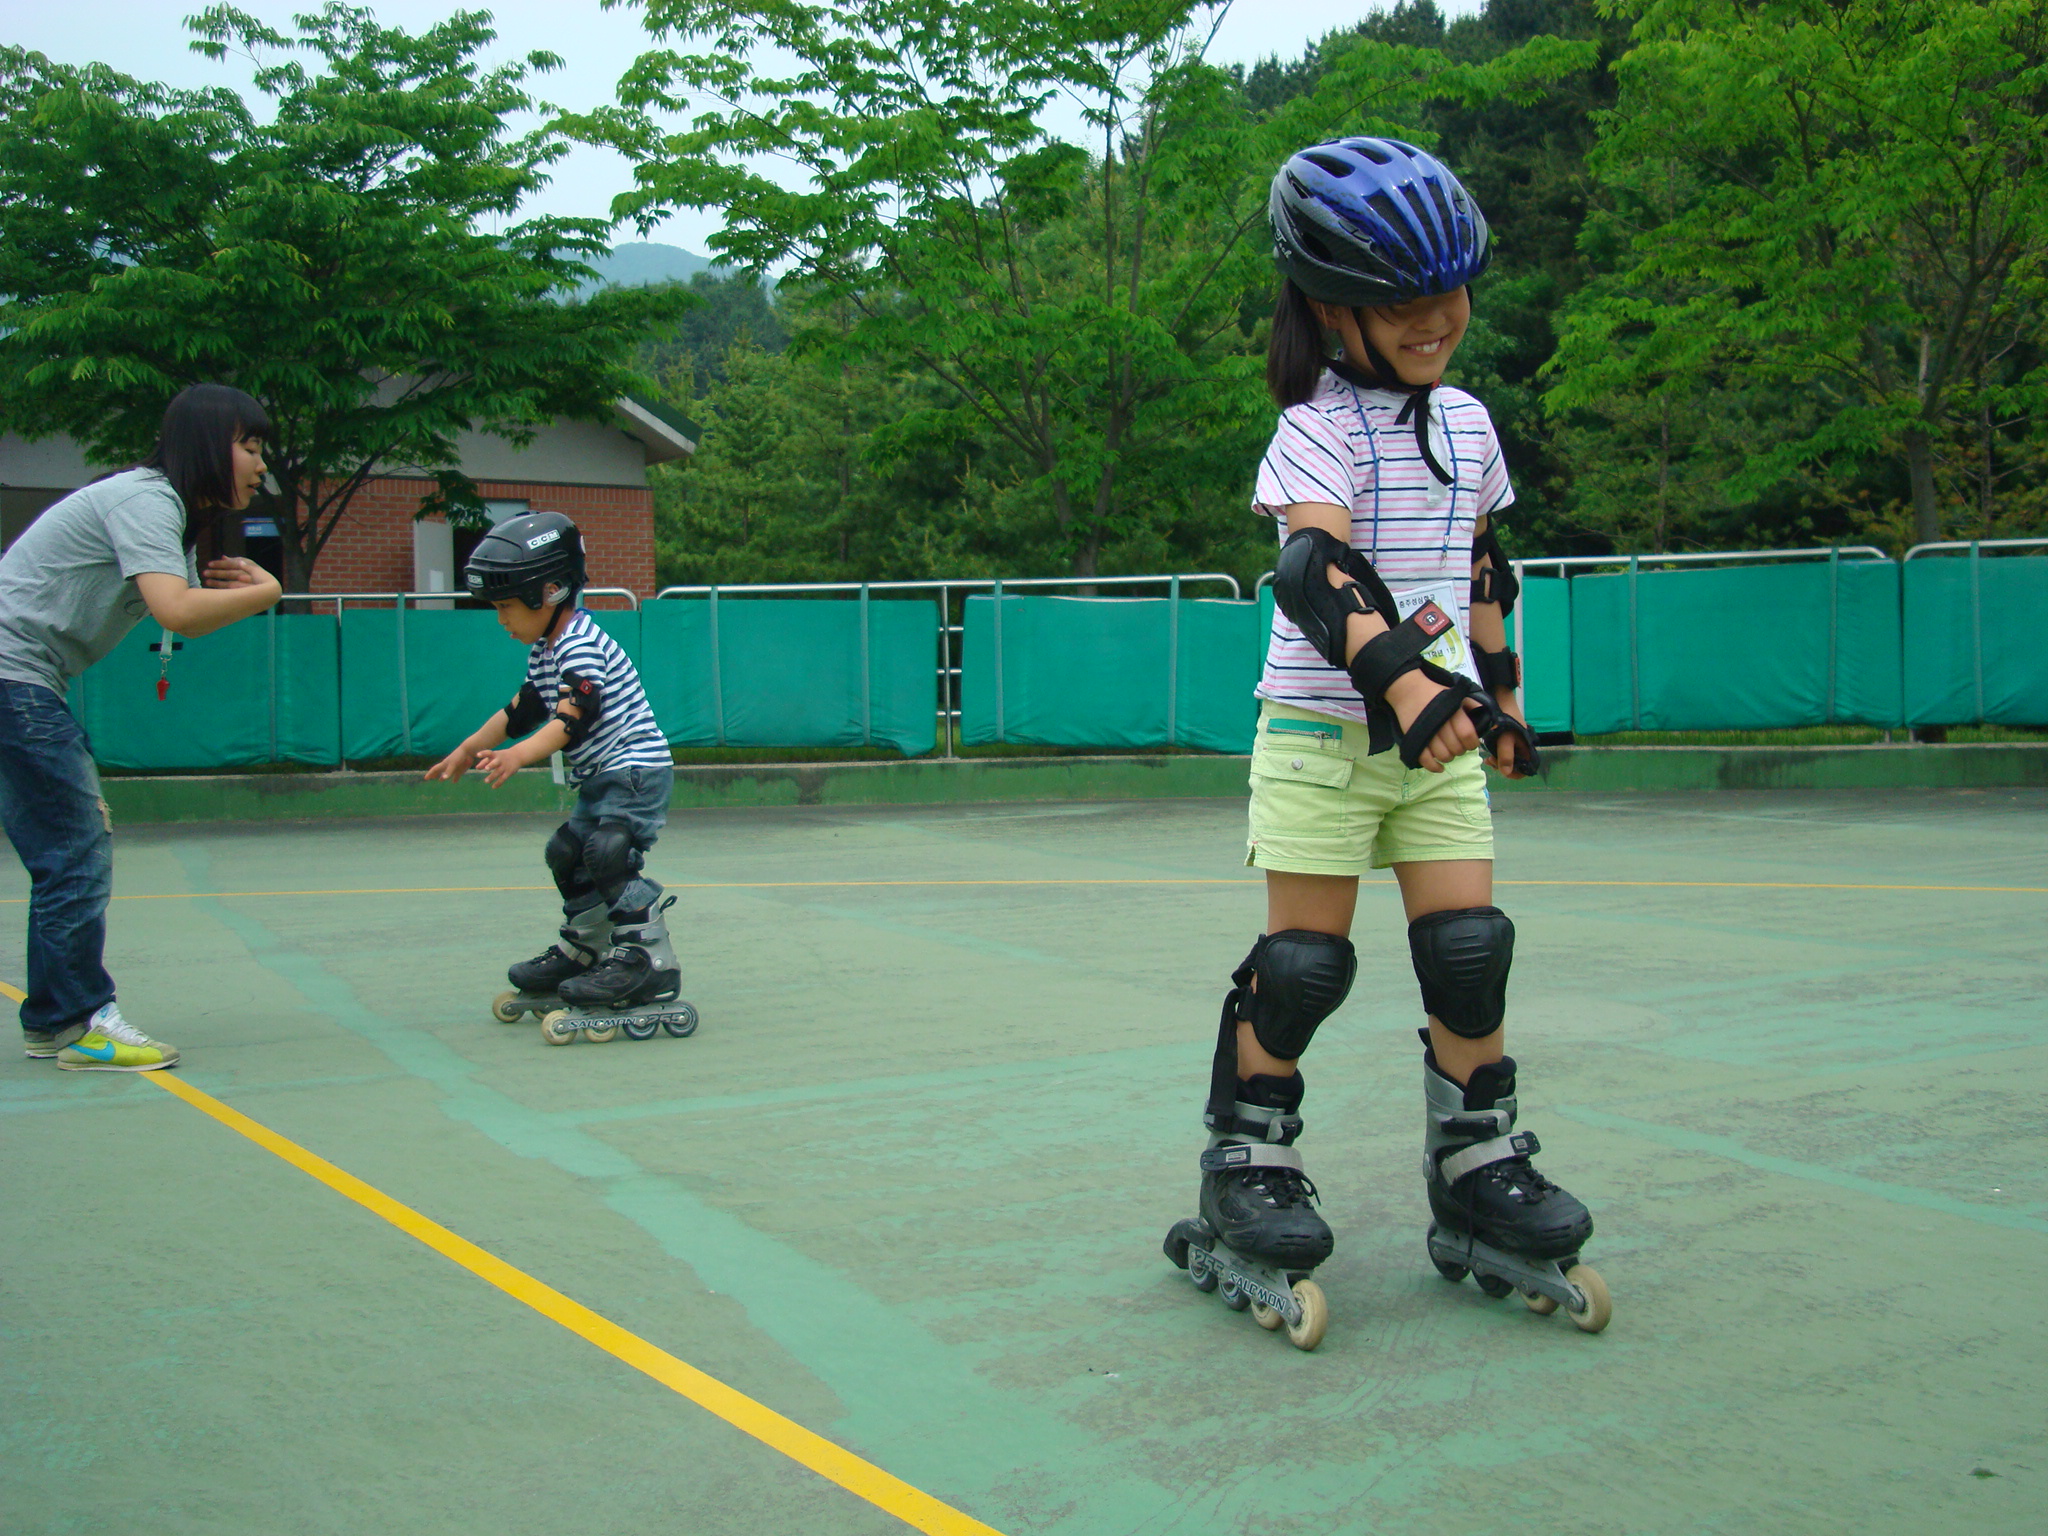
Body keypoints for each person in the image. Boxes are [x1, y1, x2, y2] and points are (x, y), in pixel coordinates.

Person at [1165, 138, 1605, 1341]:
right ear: (1327, 306)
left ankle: (1475, 1170)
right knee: (1302, 970)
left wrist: (1496, 699)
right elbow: (1312, 567)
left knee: (1468, 951)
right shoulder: (1317, 426)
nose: (1436, 320)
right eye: (1403, 301)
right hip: (1318, 735)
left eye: (1448, 293)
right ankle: (1243, 1164)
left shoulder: (1464, 423)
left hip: (1441, 740)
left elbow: (1479, 567)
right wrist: (1408, 692)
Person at [0, 383, 282, 1069]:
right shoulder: (146, 499)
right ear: (208, 444)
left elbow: (175, 610)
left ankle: (52, 1020)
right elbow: (177, 611)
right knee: (75, 848)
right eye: (250, 446)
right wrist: (267, 591)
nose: (260, 465)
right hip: (13, 675)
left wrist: (233, 594)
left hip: (23, 679)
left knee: (62, 852)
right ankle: (76, 1022)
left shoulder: (167, 516)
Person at [423, 512, 682, 1024]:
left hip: (635, 771)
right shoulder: (547, 650)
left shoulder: (581, 644)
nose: (501, 620)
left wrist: (518, 756)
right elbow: (521, 710)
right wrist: (467, 748)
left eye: (506, 607)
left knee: (607, 854)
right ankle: (585, 948)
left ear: (551, 591)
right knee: (566, 852)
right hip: (603, 776)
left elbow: (570, 720)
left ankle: (648, 959)